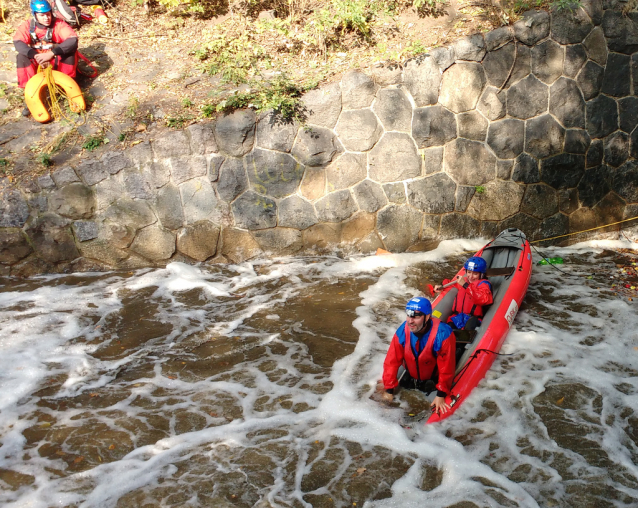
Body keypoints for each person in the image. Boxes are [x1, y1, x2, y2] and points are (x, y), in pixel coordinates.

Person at [381, 297, 456, 414]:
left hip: (434, 375)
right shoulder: (402, 331)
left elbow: (447, 367)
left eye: (416, 316)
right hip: (413, 373)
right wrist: (389, 390)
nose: (410, 321)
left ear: (427, 317)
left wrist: (441, 394)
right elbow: (391, 361)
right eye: (409, 315)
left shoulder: (443, 334)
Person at [13, 0, 79, 114]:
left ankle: (68, 86)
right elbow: (18, 42)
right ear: (35, 15)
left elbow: (72, 40)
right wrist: (35, 56)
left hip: (54, 59)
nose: (46, 18)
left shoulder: (59, 24)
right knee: (21, 57)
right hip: (38, 60)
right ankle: (30, 93)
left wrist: (51, 54)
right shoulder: (28, 25)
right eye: (42, 15)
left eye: (48, 14)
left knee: (70, 52)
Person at [433, 256, 493, 331]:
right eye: (469, 272)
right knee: (446, 329)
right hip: (457, 317)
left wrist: (465, 285)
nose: (471, 276)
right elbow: (450, 283)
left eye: (475, 274)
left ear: (481, 275)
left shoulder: (484, 284)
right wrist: (440, 285)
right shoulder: (464, 280)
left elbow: (482, 298)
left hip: (473, 319)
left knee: (469, 328)